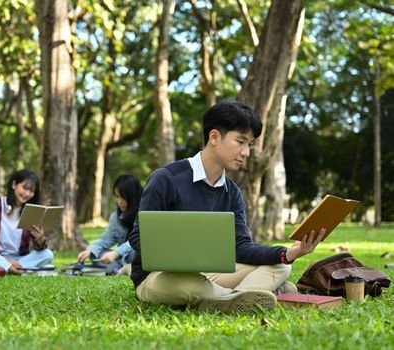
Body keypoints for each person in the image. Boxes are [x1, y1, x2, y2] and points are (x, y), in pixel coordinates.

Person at [128, 101, 326, 313]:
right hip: (160, 276)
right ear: (214, 137)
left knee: (280, 267)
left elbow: (241, 247)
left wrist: (287, 253)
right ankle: (252, 295)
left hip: (211, 275)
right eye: (240, 141)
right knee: (195, 286)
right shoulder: (166, 179)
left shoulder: (232, 192)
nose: (246, 152)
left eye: (249, 144)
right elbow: (138, 236)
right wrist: (175, 255)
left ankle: (228, 299)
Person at [0, 169, 54, 275]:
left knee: (48, 254)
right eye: (25, 188)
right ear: (14, 184)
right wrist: (6, 261)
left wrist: (40, 238)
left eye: (31, 191)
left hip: (20, 260)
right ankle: (18, 270)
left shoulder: (31, 211)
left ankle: (6, 270)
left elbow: (40, 248)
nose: (27, 194)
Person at [77, 174, 143, 274]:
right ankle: (120, 269)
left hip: (132, 255)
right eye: (117, 197)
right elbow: (106, 238)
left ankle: (121, 268)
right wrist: (90, 250)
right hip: (120, 258)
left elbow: (139, 240)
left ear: (132, 196)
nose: (119, 201)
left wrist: (116, 252)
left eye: (123, 197)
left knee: (136, 252)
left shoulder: (144, 213)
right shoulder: (116, 215)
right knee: (95, 254)